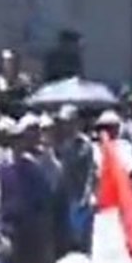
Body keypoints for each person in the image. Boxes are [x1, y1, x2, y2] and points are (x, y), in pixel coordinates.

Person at [0, 117, 56, 263]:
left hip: (31, 231)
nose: (17, 145)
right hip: (11, 230)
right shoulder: (3, 170)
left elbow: (43, 199)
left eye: (20, 140)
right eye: (14, 141)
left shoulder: (32, 168)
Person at [55, 105, 96, 252]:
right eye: (64, 122)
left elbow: (91, 171)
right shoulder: (59, 145)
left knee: (82, 241)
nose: (66, 125)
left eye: (69, 121)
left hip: (80, 199)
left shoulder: (85, 144)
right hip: (64, 199)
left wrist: (87, 195)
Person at [0, 48, 33, 119]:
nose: (10, 65)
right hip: (4, 114)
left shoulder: (24, 79)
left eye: (13, 62)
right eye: (7, 62)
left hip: (23, 113)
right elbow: (0, 97)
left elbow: (30, 96)